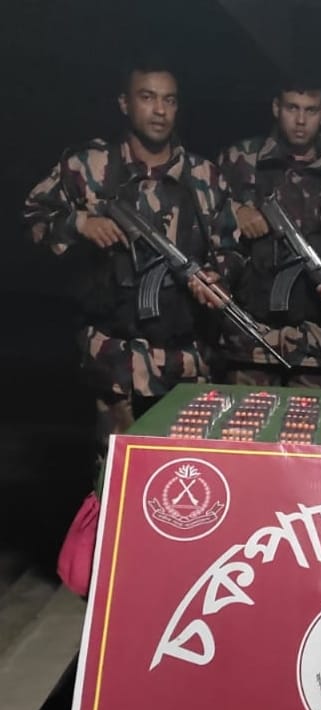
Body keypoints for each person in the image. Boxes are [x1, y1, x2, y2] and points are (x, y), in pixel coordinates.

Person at [23, 58, 242, 449]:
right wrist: (79, 223)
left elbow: (230, 248)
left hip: (185, 362)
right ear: (124, 103)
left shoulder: (204, 177)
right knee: (114, 473)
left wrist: (216, 278)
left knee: (182, 471)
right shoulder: (89, 166)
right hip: (113, 361)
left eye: (169, 100)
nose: (159, 110)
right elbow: (33, 219)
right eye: (147, 97)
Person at [217, 81, 321, 388]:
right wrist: (236, 214)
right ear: (276, 108)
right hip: (249, 340)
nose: (300, 120)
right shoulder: (240, 159)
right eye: (292, 108)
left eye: (310, 111)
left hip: (316, 343)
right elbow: (207, 222)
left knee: (310, 420)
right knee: (247, 420)